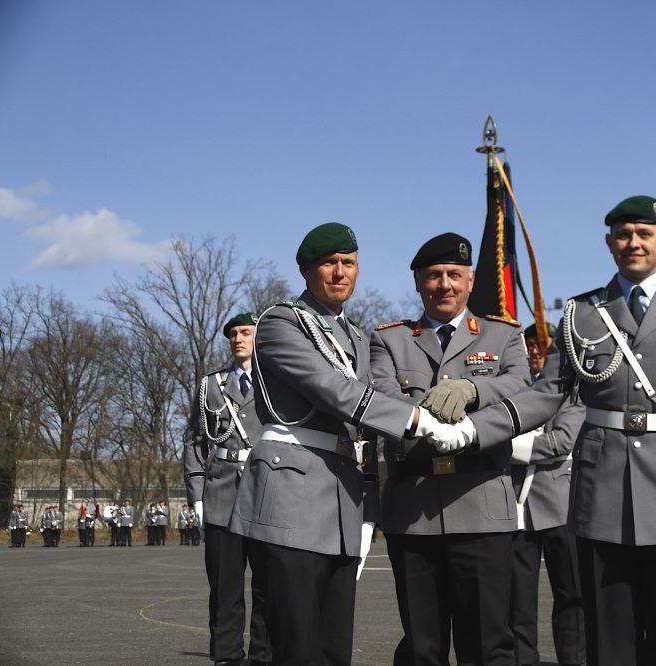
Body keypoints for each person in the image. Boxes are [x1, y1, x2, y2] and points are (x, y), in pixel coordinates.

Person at [462, 195, 656, 666]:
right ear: (609, 243)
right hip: (601, 495)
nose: (634, 243)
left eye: (644, 234)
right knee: (607, 643)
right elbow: (545, 394)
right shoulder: (581, 313)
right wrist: (475, 424)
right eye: (624, 235)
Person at [229, 222, 454, 666]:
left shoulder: (355, 336)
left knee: (334, 646)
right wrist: (417, 420)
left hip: (342, 499)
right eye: (328, 263)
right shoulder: (280, 322)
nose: (339, 273)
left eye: (348, 263)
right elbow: (335, 390)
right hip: (290, 494)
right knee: (295, 645)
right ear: (305, 271)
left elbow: (375, 404)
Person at [369, 232, 530, 666]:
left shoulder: (503, 336)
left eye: (454, 275)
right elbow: (382, 401)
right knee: (422, 647)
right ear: (419, 283)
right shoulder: (389, 340)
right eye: (433, 276)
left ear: (471, 280)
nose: (444, 284)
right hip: (414, 508)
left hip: (481, 506)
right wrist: (432, 414)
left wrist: (472, 390)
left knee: (489, 645)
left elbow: (521, 387)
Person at [183, 311, 271, 666]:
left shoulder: (277, 382)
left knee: (268, 586)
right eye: (233, 333)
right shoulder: (211, 385)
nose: (237, 338)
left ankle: (265, 656)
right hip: (221, 494)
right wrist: (196, 495)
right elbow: (193, 441)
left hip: (267, 492)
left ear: (259, 337)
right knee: (224, 588)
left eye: (245, 332)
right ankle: (226, 657)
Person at [508, 323, 586, 666]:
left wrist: (507, 444)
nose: (536, 350)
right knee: (517, 599)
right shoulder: (511, 388)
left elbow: (561, 443)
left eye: (542, 343)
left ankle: (574, 659)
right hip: (517, 507)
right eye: (530, 344)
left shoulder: (573, 390)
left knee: (572, 595)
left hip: (560, 505)